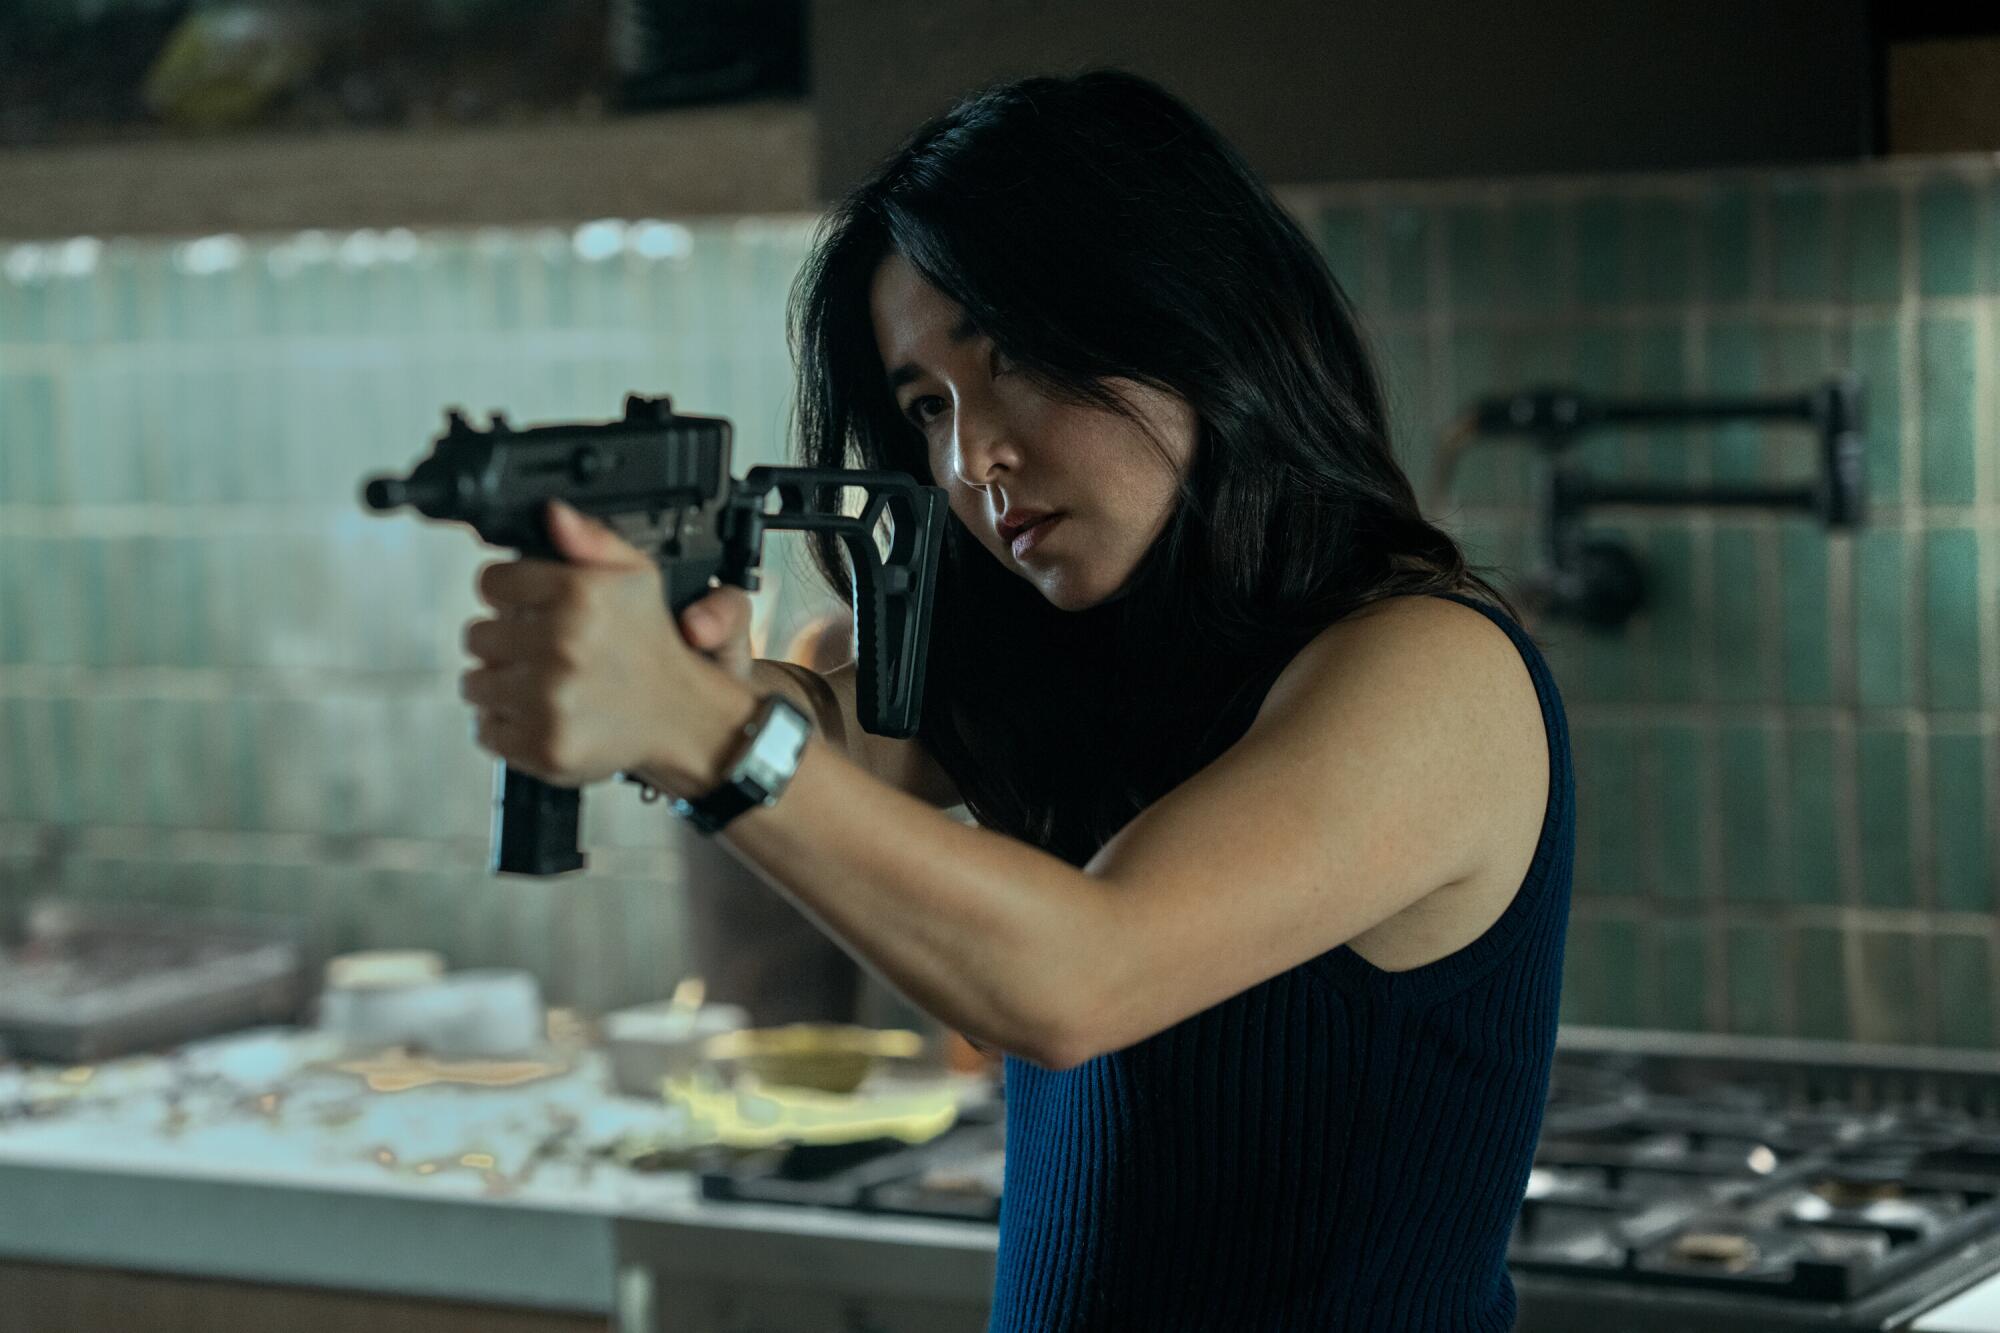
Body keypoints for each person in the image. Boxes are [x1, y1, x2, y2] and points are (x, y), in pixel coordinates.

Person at [460, 69, 1572, 1332]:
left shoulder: (1431, 669)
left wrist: (703, 730)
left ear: (1194, 323)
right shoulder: (1095, 647)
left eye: (1018, 365)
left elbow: (1075, 979)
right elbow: (840, 730)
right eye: (925, 405)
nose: (966, 459)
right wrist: (693, 684)